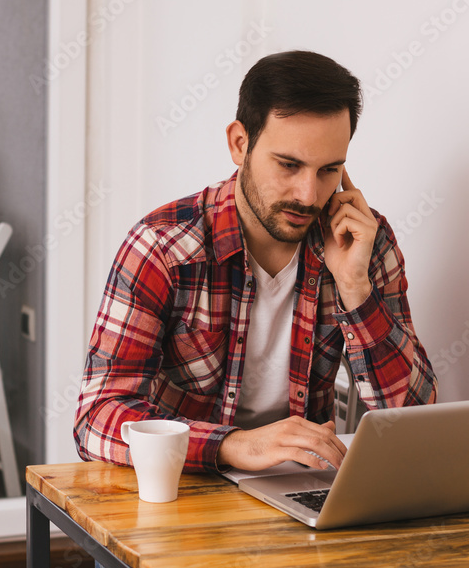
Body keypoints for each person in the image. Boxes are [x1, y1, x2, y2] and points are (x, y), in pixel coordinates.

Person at [74, 50, 437, 474]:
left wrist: (355, 287)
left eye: (328, 171)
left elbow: (414, 418)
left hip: (302, 490)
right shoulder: (163, 247)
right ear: (239, 143)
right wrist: (233, 446)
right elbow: (95, 419)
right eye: (289, 165)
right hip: (185, 487)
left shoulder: (361, 241)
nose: (307, 194)